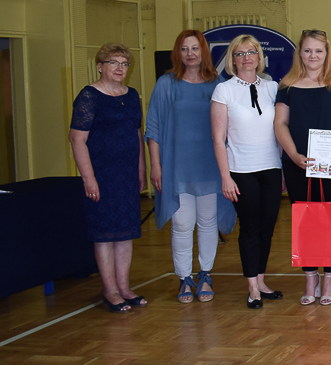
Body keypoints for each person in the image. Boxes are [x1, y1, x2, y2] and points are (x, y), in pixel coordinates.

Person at [145, 30, 236, 304]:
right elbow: (153, 128)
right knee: (182, 223)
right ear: (178, 53)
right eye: (185, 49)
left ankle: (205, 274)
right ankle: (184, 277)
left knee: (208, 222)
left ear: (203, 51)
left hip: (210, 165)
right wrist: (156, 165)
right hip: (177, 166)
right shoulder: (166, 84)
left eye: (195, 48)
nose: (190, 54)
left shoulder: (217, 84)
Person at [275, 30, 331, 306]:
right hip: (297, 162)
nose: (313, 56)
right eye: (308, 50)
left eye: (318, 51)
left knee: (329, 216)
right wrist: (294, 155)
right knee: (304, 219)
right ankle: (310, 277)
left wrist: (328, 150)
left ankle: (330, 276)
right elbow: (280, 123)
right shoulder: (287, 83)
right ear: (300, 52)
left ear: (327, 52)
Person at [69, 43, 147, 313]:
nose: (120, 68)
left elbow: (136, 133)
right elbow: (77, 140)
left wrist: (141, 169)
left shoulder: (132, 95)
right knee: (105, 234)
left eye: (124, 64)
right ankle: (110, 290)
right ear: (100, 66)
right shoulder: (89, 96)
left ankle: (124, 287)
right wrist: (88, 178)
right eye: (114, 63)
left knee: (125, 232)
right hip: (102, 174)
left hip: (126, 174)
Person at [211, 35, 284, 309]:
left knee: (267, 229)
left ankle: (261, 281)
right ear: (232, 59)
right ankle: (252, 287)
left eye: (251, 52)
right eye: (240, 54)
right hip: (241, 171)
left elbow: (280, 131)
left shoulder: (272, 87)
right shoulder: (224, 91)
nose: (246, 58)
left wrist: (283, 169)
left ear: (259, 56)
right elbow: (218, 139)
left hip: (271, 168)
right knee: (250, 228)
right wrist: (225, 177)